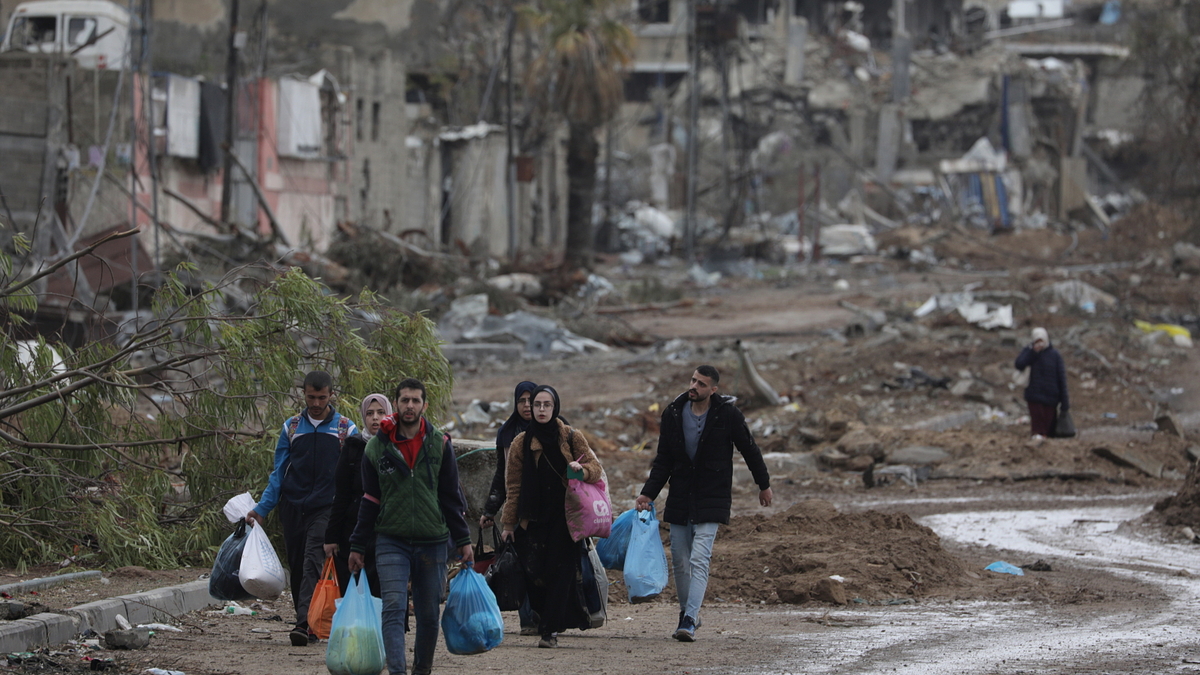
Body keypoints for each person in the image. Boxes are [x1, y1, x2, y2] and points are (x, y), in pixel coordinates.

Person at [635, 365, 772, 642]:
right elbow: (663, 460)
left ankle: (688, 620)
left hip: (713, 495)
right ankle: (689, 614)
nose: (694, 386)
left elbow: (749, 448)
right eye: (693, 380)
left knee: (700, 558)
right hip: (680, 496)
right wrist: (648, 494)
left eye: (701, 383)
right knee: (681, 562)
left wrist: (764, 484)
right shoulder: (673, 413)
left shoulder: (727, 415)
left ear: (713, 390)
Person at [349, 378, 473, 675]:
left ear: (424, 405)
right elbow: (369, 499)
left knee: (429, 614)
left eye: (415, 400)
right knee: (393, 606)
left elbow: (451, 497)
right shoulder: (376, 449)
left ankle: (422, 670)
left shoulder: (440, 444)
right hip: (391, 539)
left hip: (432, 541)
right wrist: (356, 544)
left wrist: (464, 540)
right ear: (397, 403)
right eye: (404, 400)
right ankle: (397, 671)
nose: (410, 406)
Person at [246, 370, 357, 646]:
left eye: (322, 397)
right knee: (297, 565)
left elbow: (354, 477)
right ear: (303, 394)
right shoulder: (292, 428)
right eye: (311, 397)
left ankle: (304, 623)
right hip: (293, 508)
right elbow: (279, 473)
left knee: (312, 562)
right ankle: (309, 617)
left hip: (327, 510)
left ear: (332, 394)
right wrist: (262, 509)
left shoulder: (345, 429)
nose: (316, 403)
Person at [500, 385, 604, 649]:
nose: (542, 409)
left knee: (561, 572)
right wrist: (508, 523)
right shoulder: (520, 443)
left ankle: (549, 631)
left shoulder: (570, 436)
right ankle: (546, 619)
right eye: (537, 405)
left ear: (555, 407)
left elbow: (596, 468)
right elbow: (513, 486)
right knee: (535, 574)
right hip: (532, 519)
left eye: (547, 404)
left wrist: (580, 469)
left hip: (566, 518)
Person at [480, 380, 540, 635]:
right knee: (523, 564)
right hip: (517, 508)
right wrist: (490, 509)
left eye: (532, 400)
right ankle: (529, 619)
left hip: (549, 507)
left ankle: (550, 615)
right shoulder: (507, 433)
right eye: (522, 401)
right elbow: (501, 476)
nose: (527, 406)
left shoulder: (554, 427)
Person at [323, 393, 391, 597]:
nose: (375, 418)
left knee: (384, 592)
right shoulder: (354, 447)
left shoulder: (396, 447)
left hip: (388, 531)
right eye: (370, 413)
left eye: (380, 412)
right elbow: (341, 495)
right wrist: (331, 536)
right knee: (352, 592)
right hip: (353, 531)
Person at [1015, 327, 1069, 440]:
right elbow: (1019, 364)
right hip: (1034, 395)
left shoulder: (1055, 355)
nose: (1039, 343)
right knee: (1038, 426)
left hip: (1051, 397)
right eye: (1037, 341)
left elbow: (1061, 379)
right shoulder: (1029, 352)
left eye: (1041, 340)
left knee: (1049, 427)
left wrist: (1065, 403)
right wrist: (1033, 352)